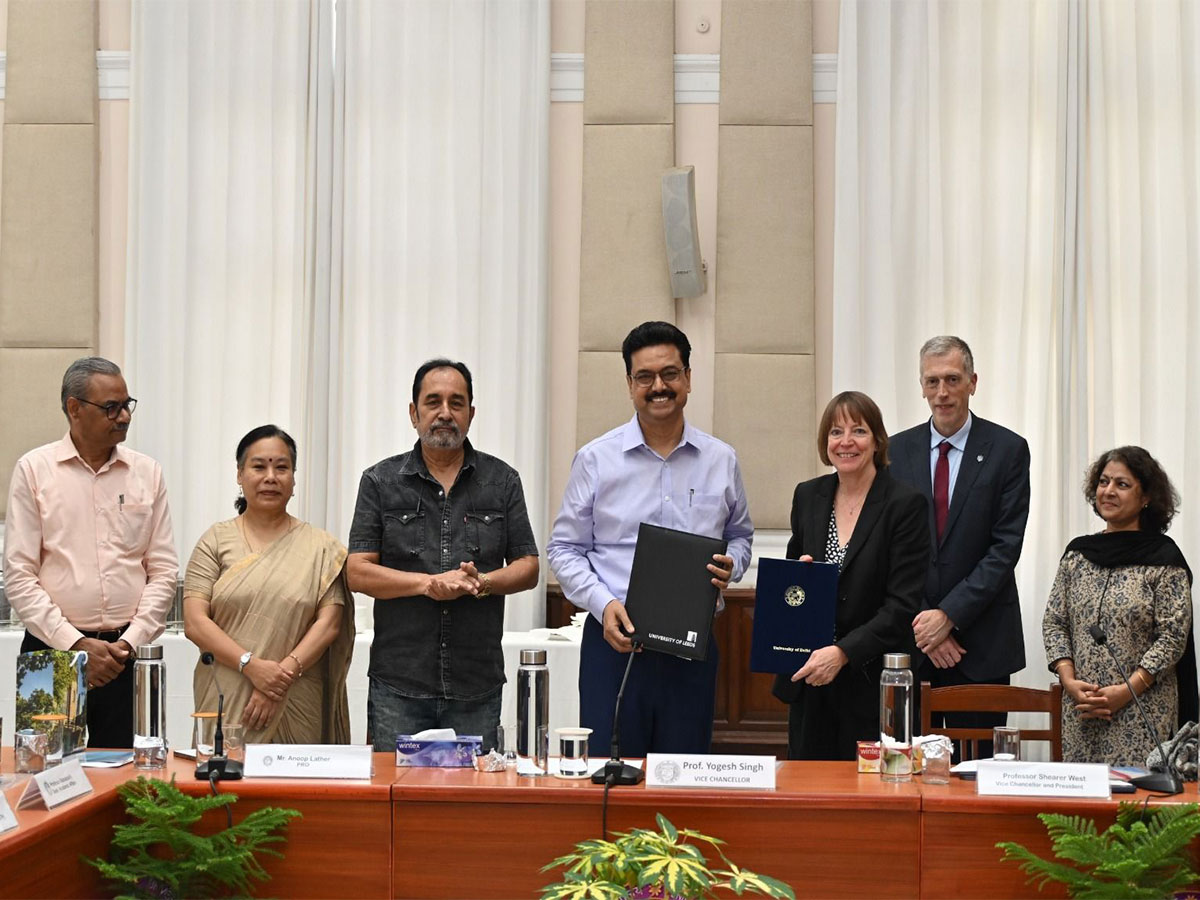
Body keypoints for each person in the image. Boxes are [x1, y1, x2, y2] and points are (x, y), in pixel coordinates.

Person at [547, 321, 753, 758]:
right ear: (630, 384)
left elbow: (740, 536)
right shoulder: (595, 459)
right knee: (611, 777)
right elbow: (563, 550)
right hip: (615, 645)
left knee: (683, 779)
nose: (658, 386)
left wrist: (734, 563)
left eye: (670, 374)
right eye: (645, 377)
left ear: (689, 378)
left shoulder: (721, 459)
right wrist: (603, 605)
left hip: (690, 651)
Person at [347, 359, 539, 753]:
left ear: (471, 413)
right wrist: (428, 584)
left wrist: (483, 583)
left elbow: (529, 567)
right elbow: (357, 572)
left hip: (476, 683)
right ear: (414, 413)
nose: (445, 413)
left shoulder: (503, 480)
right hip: (399, 683)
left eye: (457, 402)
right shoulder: (379, 482)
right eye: (433, 402)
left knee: (470, 806)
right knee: (395, 802)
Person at [4, 357, 178, 747]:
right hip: (52, 652)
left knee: (134, 788)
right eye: (111, 408)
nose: (124, 417)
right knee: (44, 781)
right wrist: (77, 645)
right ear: (74, 408)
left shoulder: (147, 473)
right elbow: (19, 575)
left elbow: (164, 570)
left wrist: (128, 643)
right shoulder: (35, 470)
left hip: (128, 656)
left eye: (127, 404)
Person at [888, 336, 1030, 750]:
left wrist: (948, 615)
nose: (942, 393)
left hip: (981, 646)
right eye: (932, 381)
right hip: (913, 646)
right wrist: (927, 625)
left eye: (952, 379)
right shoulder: (896, 451)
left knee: (978, 774)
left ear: (973, 382)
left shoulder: (1008, 450)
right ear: (921, 386)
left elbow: (1005, 548)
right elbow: (892, 550)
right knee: (907, 770)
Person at [772, 391, 929, 760]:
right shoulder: (808, 495)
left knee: (871, 803)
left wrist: (842, 653)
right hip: (811, 679)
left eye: (858, 431)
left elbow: (901, 607)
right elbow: (793, 581)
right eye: (835, 432)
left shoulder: (904, 505)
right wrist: (800, 576)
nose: (845, 442)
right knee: (809, 800)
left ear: (877, 441)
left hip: (873, 684)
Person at [183, 425, 353, 743]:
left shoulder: (321, 547)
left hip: (297, 697)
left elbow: (329, 624)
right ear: (240, 474)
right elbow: (194, 622)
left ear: (293, 478)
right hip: (227, 693)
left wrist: (281, 677)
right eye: (259, 466)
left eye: (282, 467)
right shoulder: (215, 541)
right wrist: (252, 667)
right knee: (223, 788)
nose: (271, 477)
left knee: (297, 789)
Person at [1043, 446, 1195, 766]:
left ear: (1146, 498)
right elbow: (1055, 620)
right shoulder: (1077, 555)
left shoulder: (1164, 560)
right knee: (1078, 814)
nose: (1108, 491)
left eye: (1122, 484)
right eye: (1103, 482)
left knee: (1137, 810)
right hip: (1081, 712)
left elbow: (1172, 638)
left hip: (1142, 714)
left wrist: (1125, 692)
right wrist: (1068, 680)